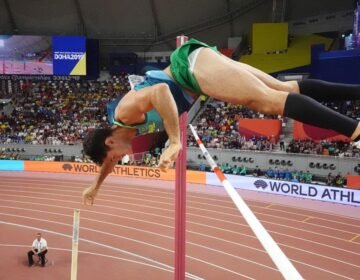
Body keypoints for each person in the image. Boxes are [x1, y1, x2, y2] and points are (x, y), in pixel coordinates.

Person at [82, 38, 360, 205]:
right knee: (284, 90)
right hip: (196, 67)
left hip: (189, 70)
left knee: (266, 101)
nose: (122, 158)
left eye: (116, 156)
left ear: (109, 140)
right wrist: (96, 186)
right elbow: (106, 161)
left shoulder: (124, 114)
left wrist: (175, 141)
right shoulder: (118, 129)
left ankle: (354, 130)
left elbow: (160, 91)